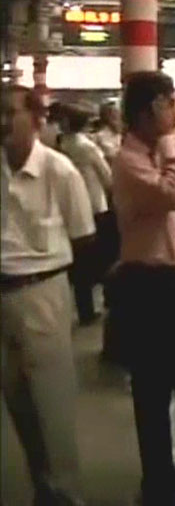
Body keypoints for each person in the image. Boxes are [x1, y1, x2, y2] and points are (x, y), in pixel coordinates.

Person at [111, 72, 175, 505]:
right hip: (145, 287)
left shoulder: (151, 152)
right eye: (168, 104)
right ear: (148, 110)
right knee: (153, 389)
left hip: (171, 280)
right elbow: (173, 194)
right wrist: (172, 145)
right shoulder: (130, 161)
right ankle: (158, 485)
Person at [1, 85, 95, 506]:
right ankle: (42, 484)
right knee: (17, 400)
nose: (2, 122)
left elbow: (84, 239)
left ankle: (66, 491)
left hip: (44, 291)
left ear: (36, 119)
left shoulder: (61, 172)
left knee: (51, 401)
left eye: (9, 113)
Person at [60, 103, 113, 325]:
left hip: (71, 207)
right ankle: (106, 300)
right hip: (95, 205)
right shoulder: (88, 147)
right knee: (105, 255)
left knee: (79, 261)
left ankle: (84, 308)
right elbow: (106, 176)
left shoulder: (62, 145)